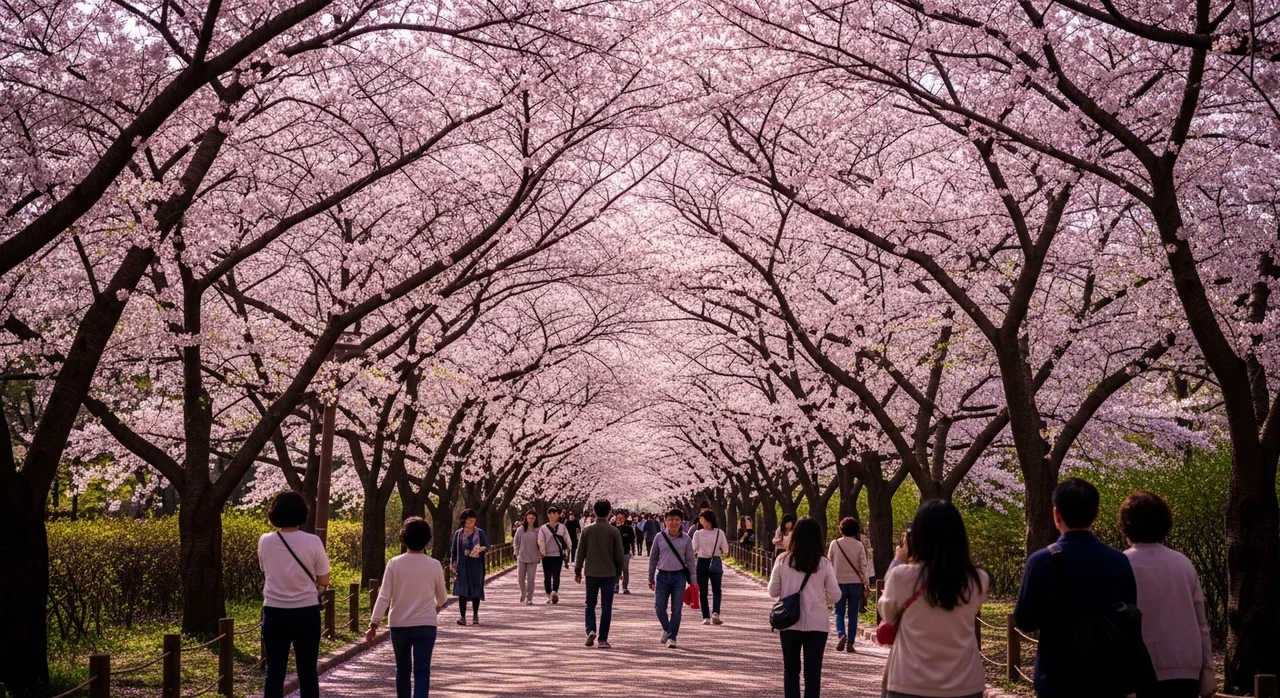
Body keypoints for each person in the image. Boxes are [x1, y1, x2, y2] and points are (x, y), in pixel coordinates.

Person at [1014, 477, 1151, 698]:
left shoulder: (1040, 561)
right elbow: (1129, 615)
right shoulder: (1118, 560)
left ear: (1056, 514)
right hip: (1107, 676)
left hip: (1057, 675)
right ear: (1096, 513)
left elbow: (1024, 620)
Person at [878, 501, 988, 698]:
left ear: (918, 538)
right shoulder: (978, 579)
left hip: (909, 682)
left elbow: (887, 614)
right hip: (965, 683)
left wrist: (898, 560)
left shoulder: (902, 576)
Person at [1119, 491, 1216, 698]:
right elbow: (1201, 623)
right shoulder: (1183, 563)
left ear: (1126, 526)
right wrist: (1208, 671)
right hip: (1185, 669)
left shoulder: (1120, 564)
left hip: (1136, 671)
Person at [258, 491, 331, 698]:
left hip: (274, 612)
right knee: (307, 672)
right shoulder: (313, 541)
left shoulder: (265, 541)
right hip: (306, 612)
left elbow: (266, 570)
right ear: (303, 513)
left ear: (274, 513)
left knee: (274, 672)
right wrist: (319, 588)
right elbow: (324, 578)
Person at [366, 517, 448, 698]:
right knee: (422, 671)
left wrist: (374, 623)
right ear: (427, 539)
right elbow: (442, 597)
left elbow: (384, 596)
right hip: (426, 624)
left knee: (402, 670)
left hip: (399, 624)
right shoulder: (434, 565)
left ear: (404, 537)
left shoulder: (394, 564)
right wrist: (436, 606)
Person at [767, 517, 841, 698]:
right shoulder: (823, 564)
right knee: (813, 674)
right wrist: (820, 599)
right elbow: (835, 595)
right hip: (817, 624)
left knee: (791, 671)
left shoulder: (783, 560)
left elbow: (773, 590)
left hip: (789, 622)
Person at [576, 499, 627, 649]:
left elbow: (580, 553)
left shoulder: (587, 530)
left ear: (594, 512)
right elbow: (619, 554)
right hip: (609, 573)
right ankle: (603, 639)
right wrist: (619, 571)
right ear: (609, 512)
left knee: (590, 603)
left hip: (591, 572)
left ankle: (591, 629)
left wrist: (578, 570)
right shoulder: (614, 531)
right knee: (606, 606)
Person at [648, 508, 696, 649]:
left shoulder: (686, 539)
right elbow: (653, 558)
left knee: (677, 609)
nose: (673, 522)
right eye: (670, 519)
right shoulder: (659, 537)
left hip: (679, 577)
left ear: (681, 522)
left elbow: (691, 561)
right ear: (665, 521)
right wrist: (650, 577)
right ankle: (668, 629)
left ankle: (672, 637)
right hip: (662, 576)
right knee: (659, 607)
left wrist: (693, 582)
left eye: (676, 520)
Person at [828, 517, 869, 653]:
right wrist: (866, 583)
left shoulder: (835, 544)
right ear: (856, 530)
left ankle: (841, 634)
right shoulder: (859, 545)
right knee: (853, 613)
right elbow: (863, 566)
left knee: (838, 611)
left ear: (841, 529)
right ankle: (850, 642)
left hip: (838, 582)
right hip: (855, 583)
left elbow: (829, 562)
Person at [450, 509, 488, 626]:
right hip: (462, 565)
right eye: (469, 520)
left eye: (473, 520)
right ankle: (462, 616)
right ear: (464, 521)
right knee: (462, 590)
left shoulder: (479, 533)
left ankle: (475, 615)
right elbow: (454, 549)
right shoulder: (458, 534)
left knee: (475, 589)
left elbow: (487, 545)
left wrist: (481, 549)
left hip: (476, 565)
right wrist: (453, 562)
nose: (471, 522)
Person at [692, 509, 728, 625]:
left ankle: (706, 617)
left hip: (702, 562)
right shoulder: (719, 533)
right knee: (717, 589)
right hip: (716, 561)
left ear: (708, 519)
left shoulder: (698, 534)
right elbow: (726, 549)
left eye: (702, 518)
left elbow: (693, 549)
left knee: (703, 591)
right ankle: (715, 613)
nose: (700, 520)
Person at [538, 506, 571, 604]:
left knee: (556, 575)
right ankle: (548, 594)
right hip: (546, 556)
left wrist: (568, 551)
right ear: (547, 515)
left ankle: (554, 592)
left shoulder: (562, 527)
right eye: (550, 514)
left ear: (558, 515)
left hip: (558, 556)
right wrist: (542, 552)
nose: (552, 515)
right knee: (547, 577)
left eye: (554, 513)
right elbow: (540, 541)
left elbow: (567, 540)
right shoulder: (543, 528)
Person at [513, 510, 541, 605]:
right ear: (526, 518)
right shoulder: (521, 529)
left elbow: (541, 543)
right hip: (522, 557)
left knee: (531, 579)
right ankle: (523, 592)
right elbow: (516, 542)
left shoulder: (537, 530)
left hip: (533, 557)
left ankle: (529, 598)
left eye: (533, 518)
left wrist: (540, 555)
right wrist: (516, 552)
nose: (531, 519)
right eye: (529, 517)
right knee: (520, 579)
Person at [614, 510, 637, 594]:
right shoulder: (613, 528)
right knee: (615, 569)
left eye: (622, 518)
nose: (620, 519)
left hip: (625, 552)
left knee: (625, 569)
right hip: (615, 553)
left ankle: (625, 587)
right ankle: (615, 585)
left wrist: (633, 550)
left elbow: (632, 540)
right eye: (618, 518)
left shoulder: (629, 529)